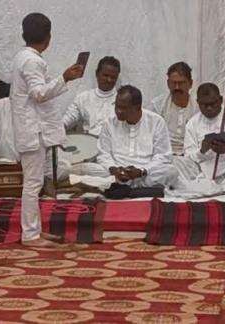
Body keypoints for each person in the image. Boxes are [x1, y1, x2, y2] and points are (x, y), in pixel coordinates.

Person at [10, 13, 83, 247]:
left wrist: (63, 79)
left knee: (35, 183)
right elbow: (39, 94)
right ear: (48, 38)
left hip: (32, 128)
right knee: (33, 184)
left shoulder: (25, 57)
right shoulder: (32, 61)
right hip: (33, 130)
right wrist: (65, 78)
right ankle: (30, 235)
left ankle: (35, 231)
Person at [179, 82, 225, 195]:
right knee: (177, 165)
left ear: (220, 100)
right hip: (205, 173)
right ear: (198, 102)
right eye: (204, 105)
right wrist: (202, 151)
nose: (209, 108)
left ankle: (215, 191)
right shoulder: (192, 123)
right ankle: (208, 189)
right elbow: (188, 157)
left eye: (213, 103)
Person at [97, 85, 178, 188]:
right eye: (116, 106)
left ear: (137, 107)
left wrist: (142, 171)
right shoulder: (109, 123)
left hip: (144, 173)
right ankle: (137, 187)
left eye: (123, 108)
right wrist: (114, 169)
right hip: (116, 171)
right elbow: (103, 154)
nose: (118, 111)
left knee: (171, 171)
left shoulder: (156, 121)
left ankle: (122, 186)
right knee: (88, 168)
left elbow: (162, 156)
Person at [63, 56, 120, 136]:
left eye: (113, 77)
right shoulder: (83, 98)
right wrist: (58, 128)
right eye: (105, 75)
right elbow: (68, 119)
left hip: (112, 145)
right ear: (97, 73)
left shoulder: (122, 101)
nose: (109, 80)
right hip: (88, 144)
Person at [150, 61, 198, 155]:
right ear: (168, 83)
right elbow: (150, 135)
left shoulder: (199, 107)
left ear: (190, 83)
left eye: (181, 83)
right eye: (173, 83)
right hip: (163, 155)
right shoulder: (157, 105)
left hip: (190, 155)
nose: (177, 87)